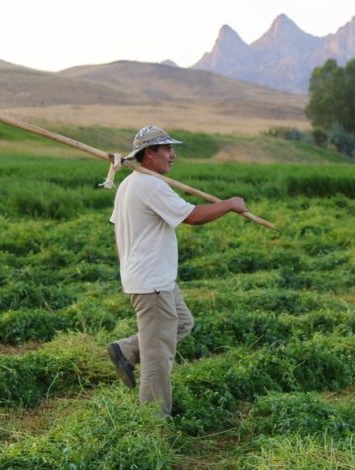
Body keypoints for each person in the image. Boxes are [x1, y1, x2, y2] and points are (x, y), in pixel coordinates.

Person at [106, 125, 247, 416]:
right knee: (158, 356)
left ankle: (128, 350)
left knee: (182, 323)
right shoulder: (149, 185)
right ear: (149, 153)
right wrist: (229, 204)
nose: (173, 155)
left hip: (156, 279)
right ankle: (153, 421)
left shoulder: (131, 183)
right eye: (167, 149)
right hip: (151, 283)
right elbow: (193, 216)